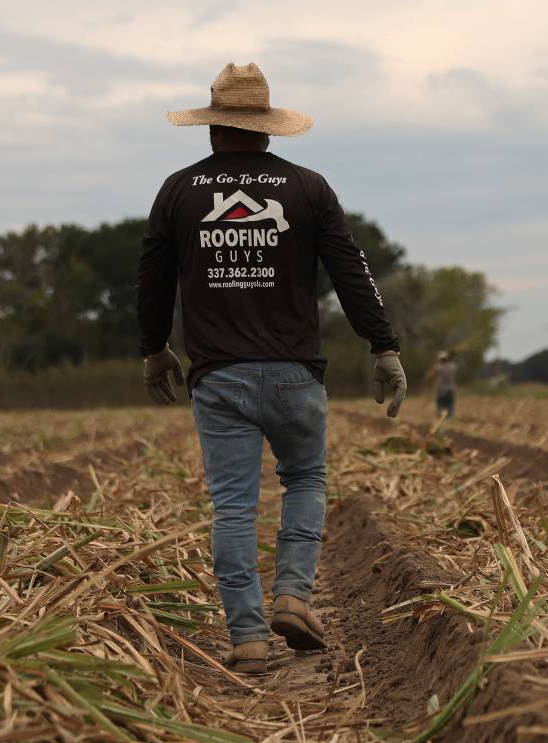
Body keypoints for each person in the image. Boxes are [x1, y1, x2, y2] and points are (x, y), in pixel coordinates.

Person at [136, 63, 407, 675]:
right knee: (305, 481)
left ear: (211, 129)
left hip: (219, 377)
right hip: (294, 376)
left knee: (233, 506)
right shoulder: (309, 189)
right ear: (267, 130)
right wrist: (382, 345)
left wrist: (154, 348)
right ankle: (292, 595)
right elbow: (351, 273)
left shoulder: (178, 191)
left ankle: (249, 638)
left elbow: (151, 280)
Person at [427, 350, 458, 418]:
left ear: (439, 359)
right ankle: (449, 419)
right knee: (450, 406)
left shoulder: (438, 367)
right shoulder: (453, 366)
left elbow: (429, 376)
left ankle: (441, 419)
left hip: (441, 390)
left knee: (440, 407)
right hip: (451, 389)